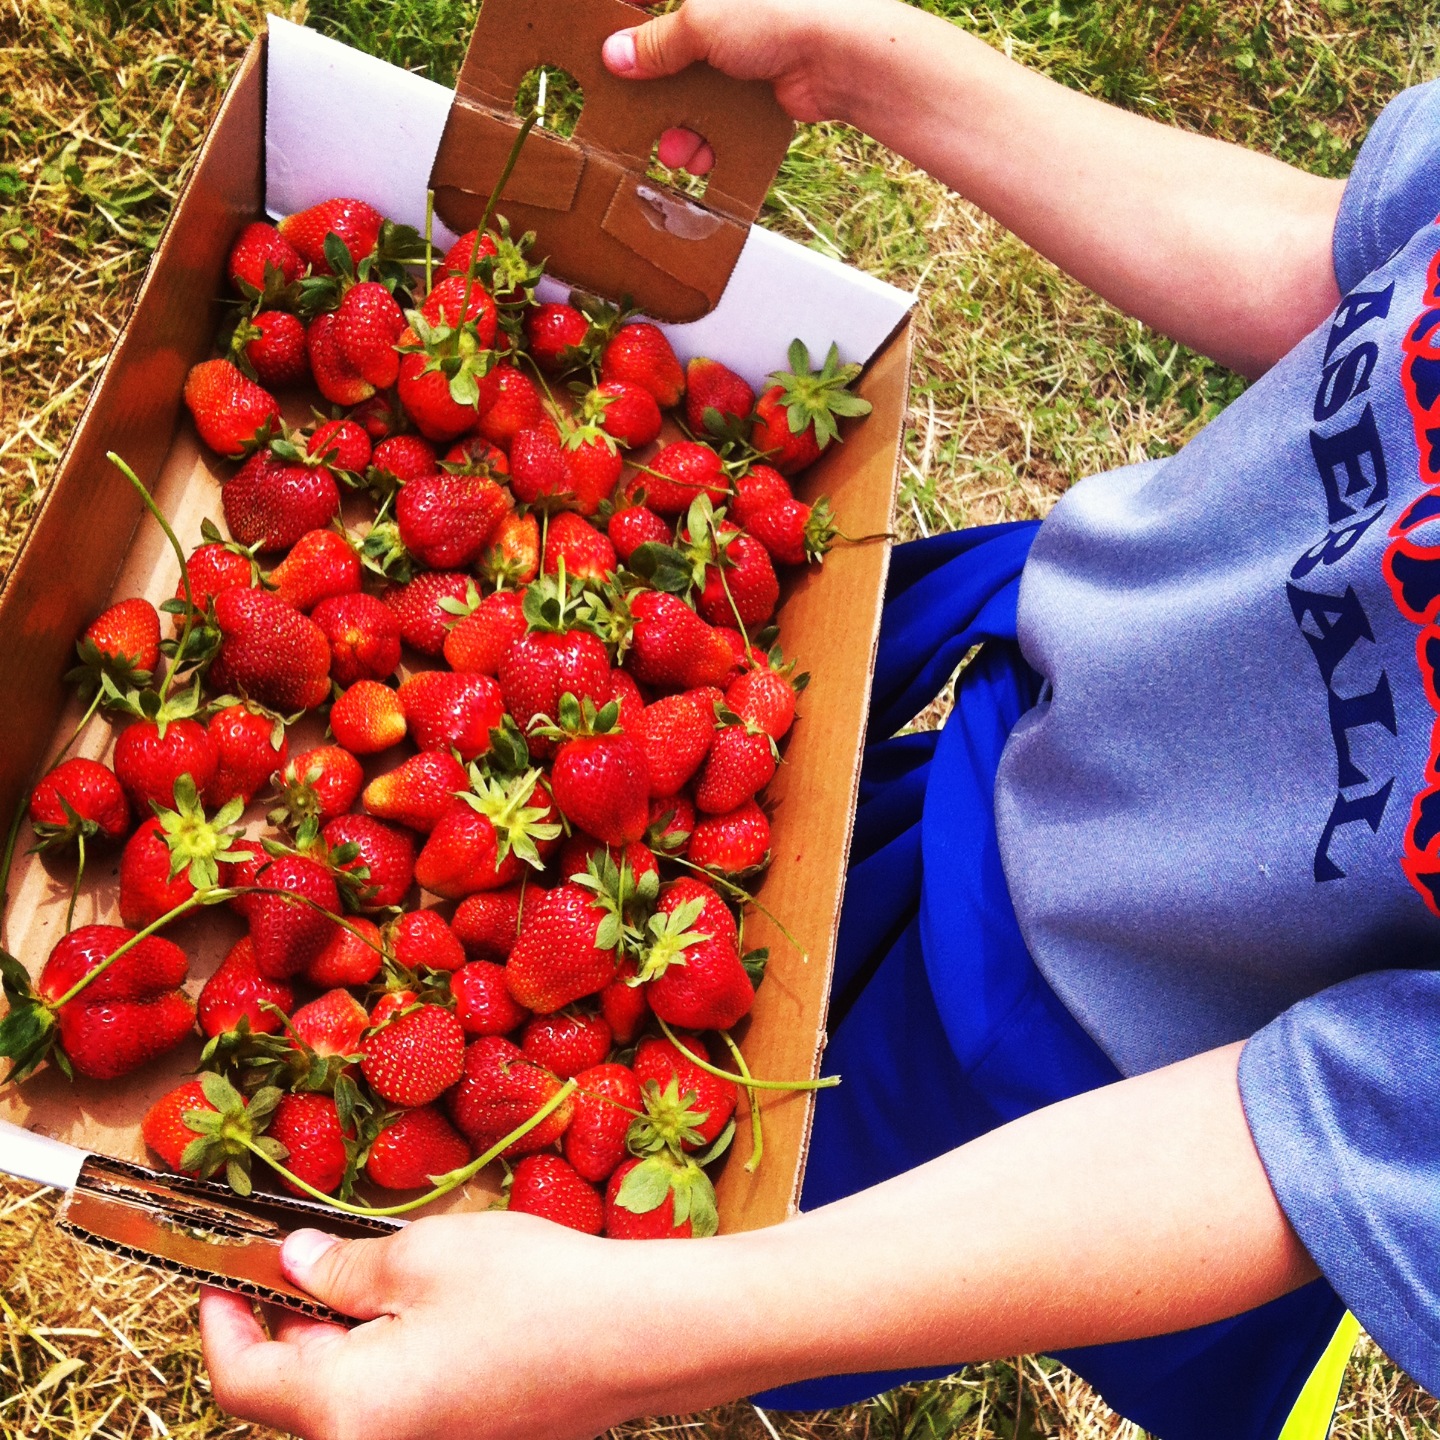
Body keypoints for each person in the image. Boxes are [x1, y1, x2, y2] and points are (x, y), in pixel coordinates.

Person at [198, 0, 1440, 1435]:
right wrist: (874, 65)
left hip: (1105, 1061)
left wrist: (652, 1337)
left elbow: (1330, 1135)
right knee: (762, 907)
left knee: (782, 1190)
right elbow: (1340, 261)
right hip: (1052, 677)